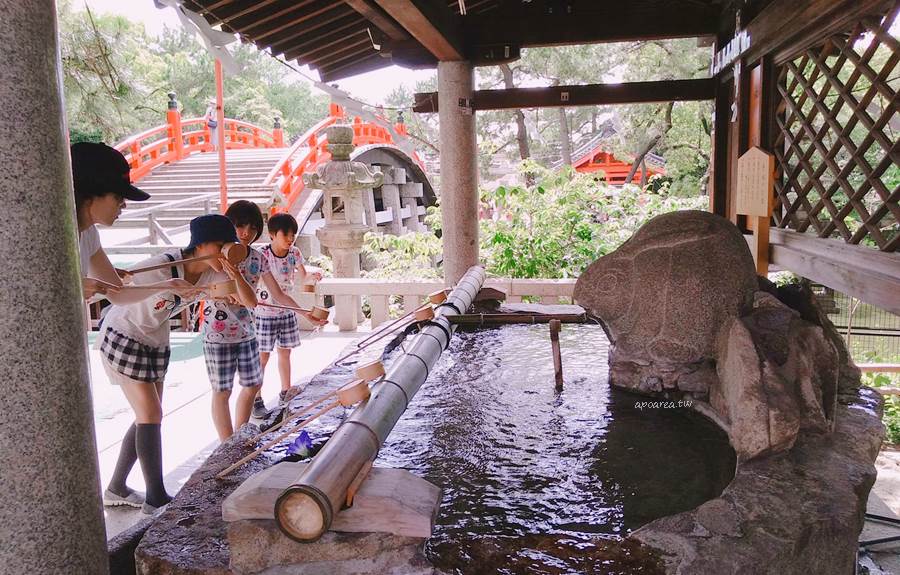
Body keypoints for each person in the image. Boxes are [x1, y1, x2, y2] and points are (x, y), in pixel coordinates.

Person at [99, 214, 256, 513]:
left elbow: (249, 301)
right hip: (125, 333)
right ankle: (155, 498)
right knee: (151, 413)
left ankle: (116, 487)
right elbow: (115, 292)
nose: (224, 250)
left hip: (155, 339)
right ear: (199, 244)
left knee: (148, 415)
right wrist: (168, 284)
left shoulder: (213, 273)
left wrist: (233, 270)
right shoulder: (163, 264)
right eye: (219, 244)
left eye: (228, 245)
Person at [204, 201, 321, 438]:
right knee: (222, 391)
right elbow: (204, 286)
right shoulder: (216, 257)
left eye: (252, 227)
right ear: (230, 226)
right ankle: (227, 443)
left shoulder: (259, 259)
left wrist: (304, 312)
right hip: (218, 333)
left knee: (252, 384)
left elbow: (277, 294)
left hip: (248, 331)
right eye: (240, 226)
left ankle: (240, 435)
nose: (246, 233)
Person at [254, 213, 323, 414]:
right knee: (263, 358)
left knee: (285, 353)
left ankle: (286, 391)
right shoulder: (262, 255)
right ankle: (256, 398)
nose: (290, 238)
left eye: (292, 234)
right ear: (272, 235)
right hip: (265, 312)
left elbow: (303, 277)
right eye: (286, 234)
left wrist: (314, 276)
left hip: (287, 311)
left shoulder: (294, 253)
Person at [72, 142, 151, 301]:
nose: (124, 204)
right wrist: (73, 288)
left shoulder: (89, 233)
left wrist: (172, 286)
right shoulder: (50, 236)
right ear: (91, 194)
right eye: (118, 197)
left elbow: (117, 294)